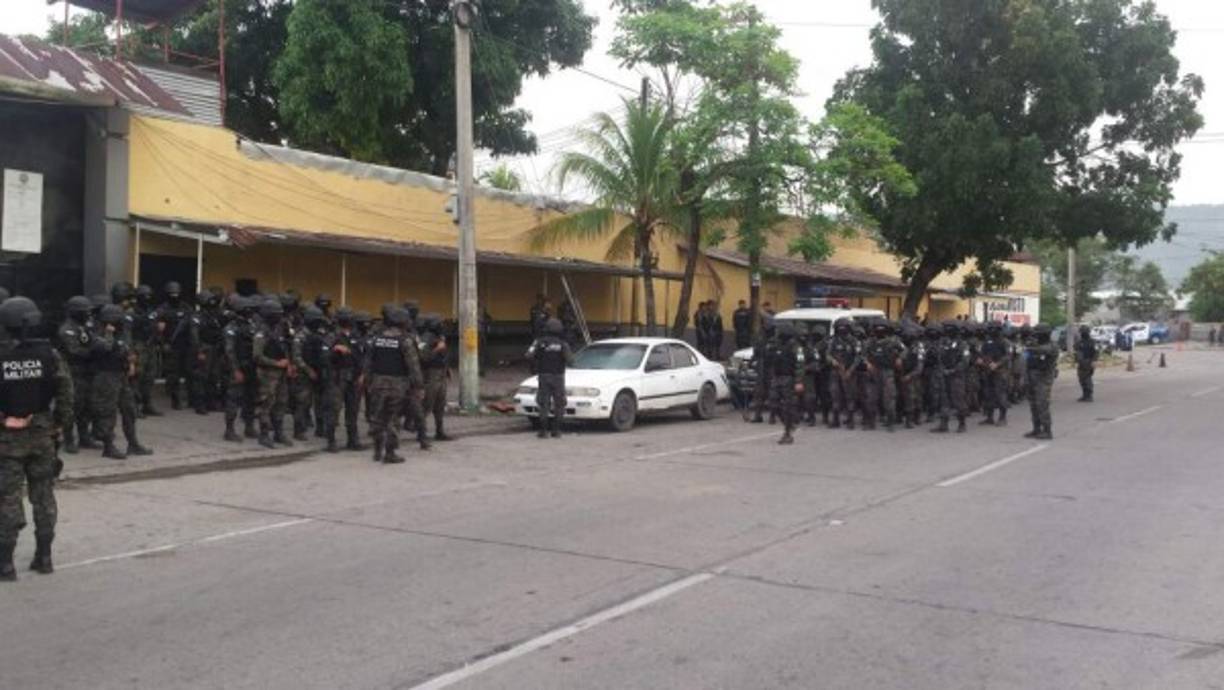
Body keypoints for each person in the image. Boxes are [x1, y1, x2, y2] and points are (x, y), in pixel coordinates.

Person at [0, 297, 74, 581]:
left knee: (7, 498)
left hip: (7, 438)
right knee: (44, 497)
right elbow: (66, 393)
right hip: (43, 435)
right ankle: (44, 558)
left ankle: (5, 564)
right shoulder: (49, 354)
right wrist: (59, 426)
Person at [90, 305, 153, 459]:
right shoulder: (96, 333)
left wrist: (131, 362)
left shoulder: (122, 332)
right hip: (106, 376)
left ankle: (133, 443)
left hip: (121, 375)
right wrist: (109, 333)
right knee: (107, 412)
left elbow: (127, 349)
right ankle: (108, 446)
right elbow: (105, 348)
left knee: (129, 409)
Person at [365, 306, 424, 464]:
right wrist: (418, 386)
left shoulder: (376, 338)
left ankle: (377, 450)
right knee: (393, 418)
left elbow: (368, 362)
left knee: (378, 417)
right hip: (398, 384)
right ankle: (390, 452)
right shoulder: (405, 340)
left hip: (377, 382)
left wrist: (367, 381)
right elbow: (413, 366)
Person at [56, 296, 96, 454]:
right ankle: (69, 439)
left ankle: (84, 437)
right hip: (72, 372)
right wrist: (94, 351)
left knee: (86, 406)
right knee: (72, 407)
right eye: (85, 312)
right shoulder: (67, 329)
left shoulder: (84, 326)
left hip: (86, 372)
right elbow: (75, 351)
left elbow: (92, 341)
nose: (88, 314)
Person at [252, 298, 294, 449]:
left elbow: (285, 347)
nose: (279, 316)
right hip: (267, 373)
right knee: (266, 403)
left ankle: (278, 432)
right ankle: (264, 434)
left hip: (281, 372)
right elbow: (257, 356)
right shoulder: (261, 331)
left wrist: (288, 364)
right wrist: (276, 363)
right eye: (276, 314)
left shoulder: (281, 328)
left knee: (281, 402)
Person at [297, 306, 337, 452]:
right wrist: (308, 370)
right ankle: (299, 429)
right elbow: (297, 356)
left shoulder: (321, 334)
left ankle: (320, 428)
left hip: (320, 372)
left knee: (321, 402)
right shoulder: (301, 335)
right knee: (303, 402)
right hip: (305, 373)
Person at [528, 318, 573, 439]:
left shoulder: (539, 342)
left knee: (544, 404)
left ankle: (543, 432)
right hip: (558, 377)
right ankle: (556, 431)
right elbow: (570, 361)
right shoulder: (563, 344)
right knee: (559, 404)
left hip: (544, 376)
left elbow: (529, 355)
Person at [222, 296, 258, 442]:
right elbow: (229, 351)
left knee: (251, 398)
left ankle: (249, 426)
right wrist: (235, 370)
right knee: (233, 398)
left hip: (252, 368)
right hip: (238, 368)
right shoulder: (231, 328)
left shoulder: (253, 326)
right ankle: (229, 430)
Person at [331, 309, 366, 451]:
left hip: (355, 376)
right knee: (334, 409)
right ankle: (331, 440)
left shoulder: (356, 336)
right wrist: (335, 349)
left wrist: (363, 373)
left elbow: (363, 356)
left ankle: (353, 439)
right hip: (338, 376)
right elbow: (323, 356)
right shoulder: (332, 335)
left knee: (353, 409)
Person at [766, 322, 805, 444]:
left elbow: (800, 365)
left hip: (789, 379)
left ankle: (787, 433)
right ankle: (791, 423)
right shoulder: (776, 345)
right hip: (776, 378)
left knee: (787, 406)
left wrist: (798, 381)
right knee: (773, 404)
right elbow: (770, 360)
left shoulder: (795, 347)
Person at [189, 289, 225, 415]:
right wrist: (199, 351)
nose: (212, 301)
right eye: (209, 299)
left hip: (215, 348)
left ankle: (211, 402)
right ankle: (199, 404)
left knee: (214, 376)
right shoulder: (196, 317)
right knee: (201, 377)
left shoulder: (214, 315)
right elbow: (194, 336)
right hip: (204, 348)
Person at [931, 321, 971, 434]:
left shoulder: (962, 344)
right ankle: (944, 424)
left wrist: (953, 370)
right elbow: (939, 358)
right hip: (945, 375)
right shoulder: (944, 343)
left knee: (958, 400)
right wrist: (943, 369)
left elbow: (965, 361)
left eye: (949, 329)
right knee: (944, 401)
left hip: (957, 376)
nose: (947, 331)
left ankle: (962, 423)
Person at [158, 282, 192, 410]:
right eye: (172, 294)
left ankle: (191, 398)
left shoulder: (186, 307)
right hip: (171, 345)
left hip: (186, 345)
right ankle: (175, 399)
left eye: (176, 294)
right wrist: (163, 343)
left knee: (189, 371)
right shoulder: (162, 309)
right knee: (173, 373)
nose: (175, 296)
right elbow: (159, 330)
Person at [419, 314, 453, 441]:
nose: (442, 326)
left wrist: (447, 368)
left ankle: (440, 431)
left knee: (440, 404)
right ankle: (421, 433)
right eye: (440, 324)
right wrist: (436, 350)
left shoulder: (440, 336)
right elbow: (422, 357)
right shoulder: (426, 338)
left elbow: (445, 354)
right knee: (427, 404)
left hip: (441, 373)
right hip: (431, 374)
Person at [132, 285, 162, 417]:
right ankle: (135, 406)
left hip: (151, 345)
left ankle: (147, 404)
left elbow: (155, 326)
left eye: (149, 295)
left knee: (150, 376)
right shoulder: (132, 311)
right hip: (138, 345)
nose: (147, 298)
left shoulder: (152, 310)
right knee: (138, 376)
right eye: (145, 296)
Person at [1026, 324, 1059, 440]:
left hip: (1043, 379)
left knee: (1042, 404)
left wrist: (1029, 348)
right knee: (1033, 404)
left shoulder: (1051, 346)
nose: (1036, 336)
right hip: (1032, 377)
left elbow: (1044, 350)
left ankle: (1047, 430)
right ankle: (1036, 428)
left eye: (1038, 334)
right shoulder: (1036, 345)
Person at [827, 320, 861, 430]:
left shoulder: (854, 341)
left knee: (850, 395)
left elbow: (858, 357)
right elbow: (827, 354)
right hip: (835, 372)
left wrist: (850, 370)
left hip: (849, 372)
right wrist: (833, 361)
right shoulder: (833, 341)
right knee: (835, 395)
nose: (841, 330)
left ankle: (850, 420)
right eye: (839, 328)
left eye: (843, 327)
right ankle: (836, 419)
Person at [979, 322, 1011, 426]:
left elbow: (1008, 356)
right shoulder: (987, 341)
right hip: (988, 371)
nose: (990, 331)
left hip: (1000, 372)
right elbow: (982, 353)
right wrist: (981, 360)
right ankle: (989, 417)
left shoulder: (1004, 342)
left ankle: (1002, 417)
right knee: (988, 394)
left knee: (1000, 394)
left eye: (993, 329)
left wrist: (997, 364)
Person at [898, 324, 926, 429]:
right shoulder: (903, 347)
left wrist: (909, 376)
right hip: (904, 374)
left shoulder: (919, 347)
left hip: (914, 375)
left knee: (915, 396)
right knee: (905, 396)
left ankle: (914, 418)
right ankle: (905, 417)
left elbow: (920, 366)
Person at [1075, 325, 1098, 402]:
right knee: (1081, 379)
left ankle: (1089, 395)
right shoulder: (1079, 342)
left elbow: (1095, 352)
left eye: (1083, 332)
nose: (1082, 333)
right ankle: (1085, 395)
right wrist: (1076, 361)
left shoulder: (1092, 342)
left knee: (1087, 379)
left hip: (1089, 362)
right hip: (1081, 363)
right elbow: (1077, 352)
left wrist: (1094, 361)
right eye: (1082, 332)